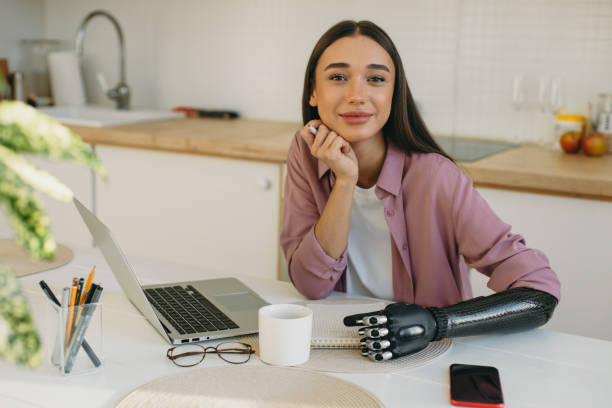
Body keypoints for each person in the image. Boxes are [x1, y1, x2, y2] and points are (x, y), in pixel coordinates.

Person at [280, 20, 560, 361]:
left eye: (376, 79)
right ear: (313, 91)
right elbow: (311, 285)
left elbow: (539, 293)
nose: (357, 95)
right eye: (338, 77)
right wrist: (344, 182)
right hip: (334, 348)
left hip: (423, 356)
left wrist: (435, 322)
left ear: (394, 93)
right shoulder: (305, 152)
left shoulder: (437, 177)